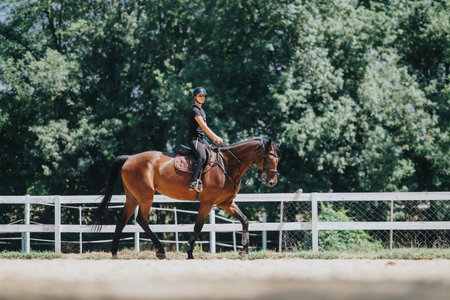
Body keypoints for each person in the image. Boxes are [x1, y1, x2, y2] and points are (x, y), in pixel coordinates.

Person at [187, 86, 223, 192]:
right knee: (202, 157)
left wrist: (213, 139)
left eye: (203, 96)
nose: (202, 97)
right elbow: (203, 127)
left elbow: (206, 128)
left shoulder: (201, 110)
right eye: (200, 96)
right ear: (195, 97)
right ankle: (193, 182)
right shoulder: (194, 110)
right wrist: (216, 137)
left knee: (213, 154)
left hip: (201, 139)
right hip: (194, 139)